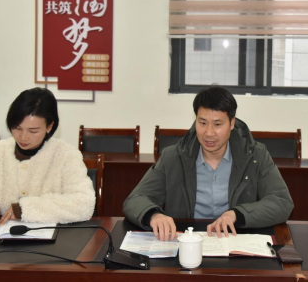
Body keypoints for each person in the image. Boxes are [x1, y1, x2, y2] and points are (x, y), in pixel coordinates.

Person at [123, 86, 294, 241]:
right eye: (202, 123)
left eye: (217, 124)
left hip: (235, 242)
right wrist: (154, 215)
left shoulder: (255, 155)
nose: (209, 133)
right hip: (186, 243)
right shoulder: (173, 157)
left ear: (232, 123)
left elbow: (281, 202)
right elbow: (135, 200)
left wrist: (237, 215)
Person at [0, 88, 95, 227]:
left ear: (49, 126)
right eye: (17, 128)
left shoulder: (66, 155)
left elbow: (83, 203)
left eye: (33, 131)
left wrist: (24, 209)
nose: (23, 137)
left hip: (49, 242)